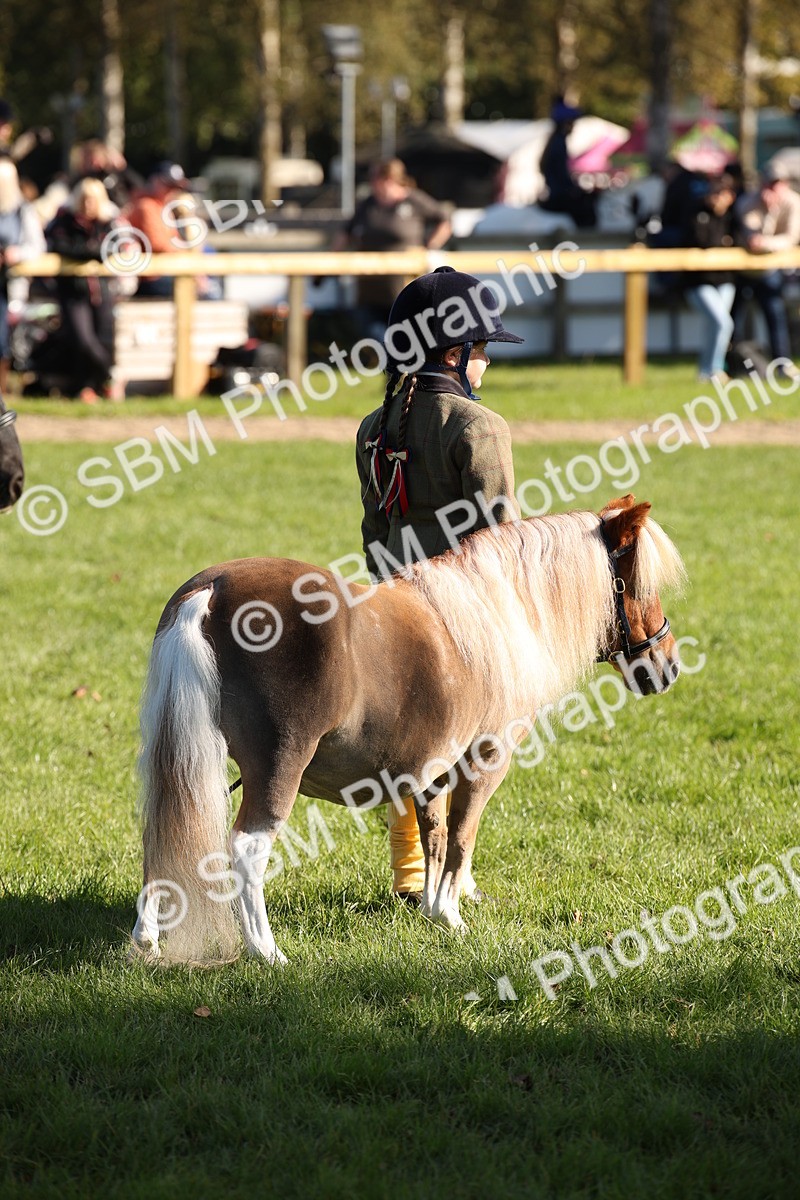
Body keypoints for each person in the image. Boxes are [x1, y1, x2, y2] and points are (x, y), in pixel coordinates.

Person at [355, 265, 524, 902]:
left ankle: (409, 873)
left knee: (403, 743)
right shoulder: (480, 427)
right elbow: (499, 538)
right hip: (465, 613)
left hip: (389, 605)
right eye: (481, 349)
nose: (485, 362)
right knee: (483, 737)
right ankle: (457, 871)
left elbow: (374, 530)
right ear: (455, 351)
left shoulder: (374, 426)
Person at [334, 159, 451, 338]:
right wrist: (330, 262)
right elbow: (346, 233)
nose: (371, 182)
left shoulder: (414, 200)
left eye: (375, 178)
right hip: (369, 288)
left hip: (404, 288)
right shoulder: (368, 204)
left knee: (404, 337)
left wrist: (429, 247)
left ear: (388, 179)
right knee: (373, 334)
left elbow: (444, 220)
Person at [46, 177, 119, 401]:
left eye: (93, 200)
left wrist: (88, 252)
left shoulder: (106, 222)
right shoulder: (64, 221)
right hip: (74, 291)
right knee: (83, 339)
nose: (88, 205)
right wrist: (90, 252)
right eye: (85, 200)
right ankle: (110, 376)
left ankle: (92, 386)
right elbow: (61, 246)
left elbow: (111, 248)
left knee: (103, 338)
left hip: (101, 290)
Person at [731, 163, 800, 380]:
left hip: (770, 270)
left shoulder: (793, 203)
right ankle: (731, 366)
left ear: (785, 184)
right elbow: (749, 232)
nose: (772, 188)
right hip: (743, 270)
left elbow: (791, 238)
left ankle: (783, 365)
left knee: (775, 315)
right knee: (733, 319)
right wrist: (765, 214)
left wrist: (766, 241)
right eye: (769, 183)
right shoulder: (748, 201)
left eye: (776, 183)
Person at [678, 174, 740, 381]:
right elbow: (701, 241)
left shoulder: (733, 216)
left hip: (725, 280)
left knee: (715, 325)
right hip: (699, 281)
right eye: (712, 193)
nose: (714, 198)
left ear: (730, 196)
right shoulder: (696, 212)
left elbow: (738, 242)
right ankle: (713, 370)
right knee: (722, 323)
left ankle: (707, 371)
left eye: (720, 193)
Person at [0, 158, 45, 394]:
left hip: (8, 283)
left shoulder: (21, 211)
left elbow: (37, 247)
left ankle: (3, 390)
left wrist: (14, 254)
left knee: (3, 340)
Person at [538, 98, 596, 228]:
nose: (573, 126)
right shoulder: (559, 143)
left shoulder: (555, 141)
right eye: (572, 123)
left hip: (557, 192)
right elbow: (561, 174)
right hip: (559, 195)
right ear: (565, 123)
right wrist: (574, 189)